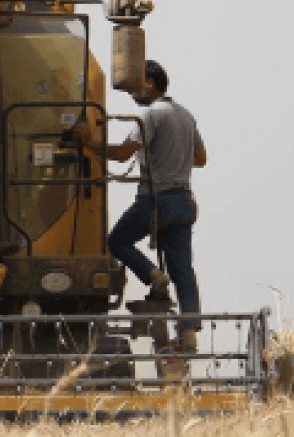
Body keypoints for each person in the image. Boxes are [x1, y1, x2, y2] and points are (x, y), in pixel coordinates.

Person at [78, 60, 206, 351]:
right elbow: (201, 158)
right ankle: (188, 335)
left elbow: (123, 154)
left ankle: (154, 277)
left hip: (156, 200)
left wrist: (89, 145)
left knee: (117, 240)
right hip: (184, 201)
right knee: (184, 270)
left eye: (137, 84)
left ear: (150, 83)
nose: (133, 92)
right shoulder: (185, 115)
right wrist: (173, 158)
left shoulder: (150, 115)